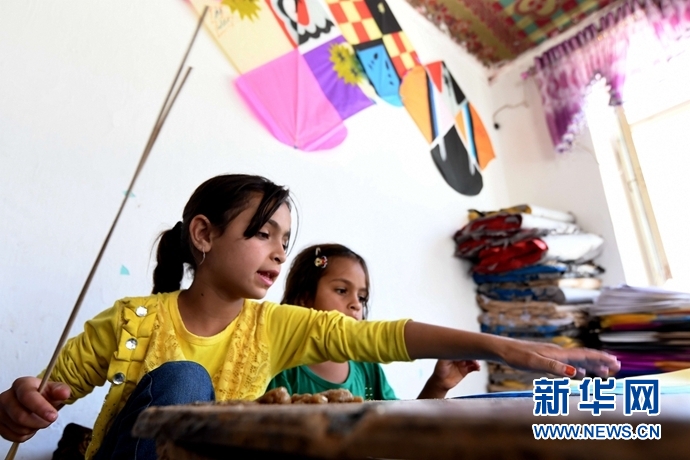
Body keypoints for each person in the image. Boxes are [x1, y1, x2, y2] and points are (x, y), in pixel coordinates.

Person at [0, 174, 620, 460]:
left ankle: (609, 410)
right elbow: (42, 394)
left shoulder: (274, 328)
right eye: (262, 233)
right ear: (204, 234)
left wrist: (504, 348)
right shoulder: (132, 320)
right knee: (188, 381)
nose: (278, 251)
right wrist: (21, 405)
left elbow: (382, 337)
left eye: (286, 240)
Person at [268, 243, 480, 400]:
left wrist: (439, 384)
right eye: (341, 290)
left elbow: (399, 432)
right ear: (304, 299)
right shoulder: (282, 367)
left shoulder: (367, 368)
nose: (356, 304)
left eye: (362, 297)